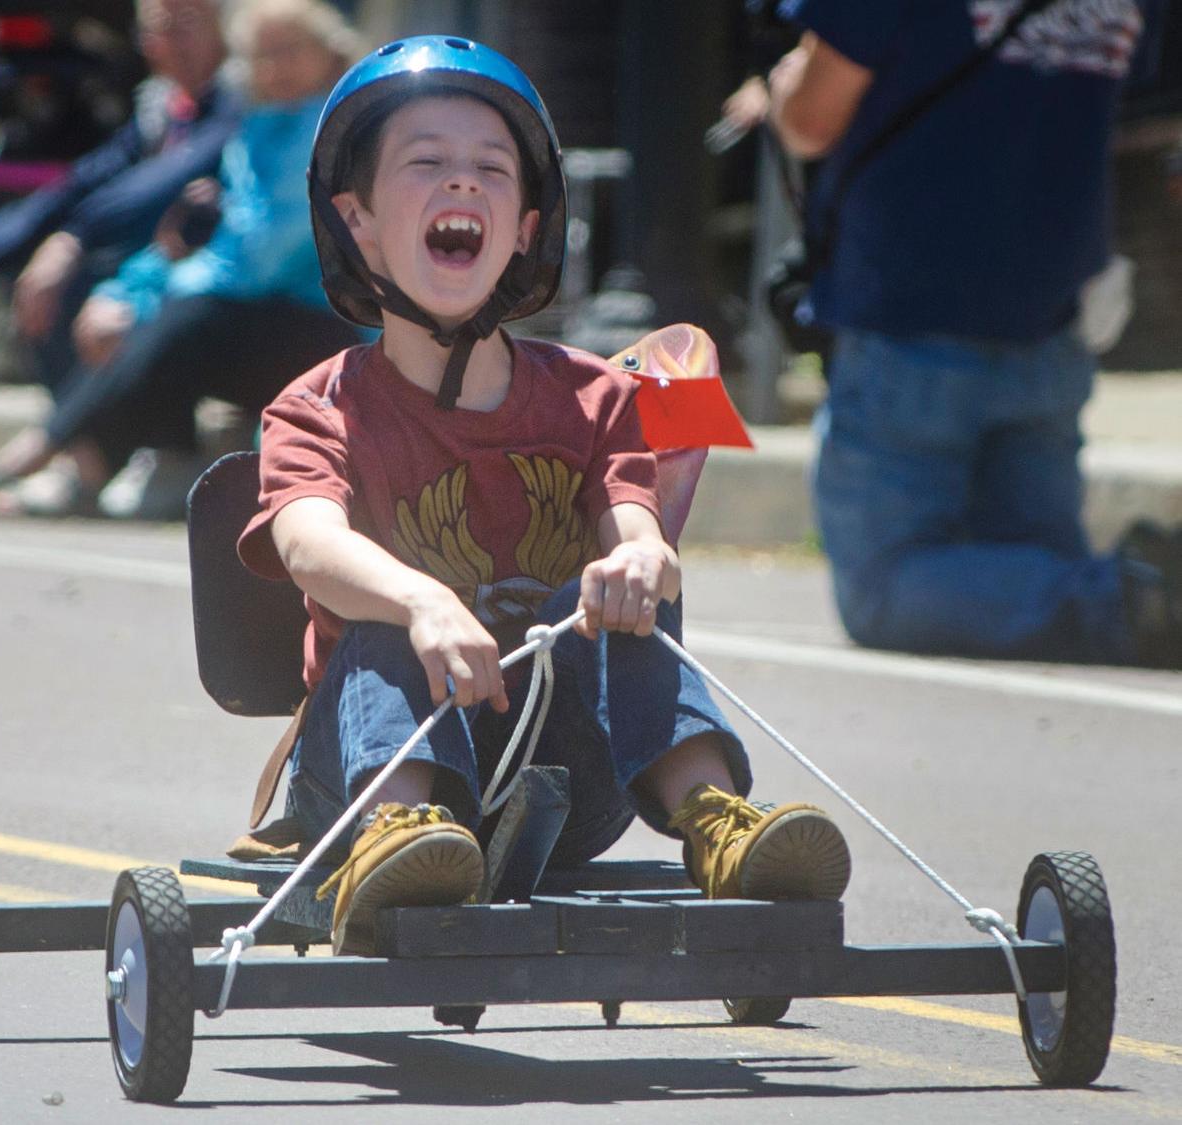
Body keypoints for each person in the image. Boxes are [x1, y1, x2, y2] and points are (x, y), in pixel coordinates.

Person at [235, 38, 853, 957]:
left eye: (491, 169)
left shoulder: (595, 398)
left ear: (526, 226)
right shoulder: (318, 405)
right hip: (361, 777)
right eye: (426, 163)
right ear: (358, 219)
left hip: (563, 781)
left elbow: (634, 524)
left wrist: (642, 557)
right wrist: (422, 599)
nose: (463, 185)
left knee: (609, 598)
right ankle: (401, 839)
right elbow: (307, 542)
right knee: (384, 618)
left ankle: (717, 824)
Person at [768, 0, 1181, 668]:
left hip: (910, 313)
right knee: (1038, 585)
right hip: (1049, 318)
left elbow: (810, 117)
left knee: (883, 589)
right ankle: (1133, 595)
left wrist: (782, 85)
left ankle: (1134, 598)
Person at [0, 0, 367, 518]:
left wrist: (151, 296)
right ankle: (99, 460)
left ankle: (54, 460)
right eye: (263, 55)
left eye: (291, 50)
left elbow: (262, 258)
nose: (275, 67)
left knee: (191, 316)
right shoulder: (256, 128)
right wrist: (128, 292)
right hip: (256, 315)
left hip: (338, 331)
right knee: (121, 300)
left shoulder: (337, 131)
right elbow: (190, 235)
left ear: (332, 55)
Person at [0, 0, 242, 397]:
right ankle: (90, 453)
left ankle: (125, 450)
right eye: (160, 29)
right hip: (156, 270)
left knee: (79, 290)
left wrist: (74, 239)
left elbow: (159, 183)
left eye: (188, 25)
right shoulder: (161, 108)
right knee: (39, 282)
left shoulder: (241, 99)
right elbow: (81, 182)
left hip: (231, 280)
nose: (173, 43)